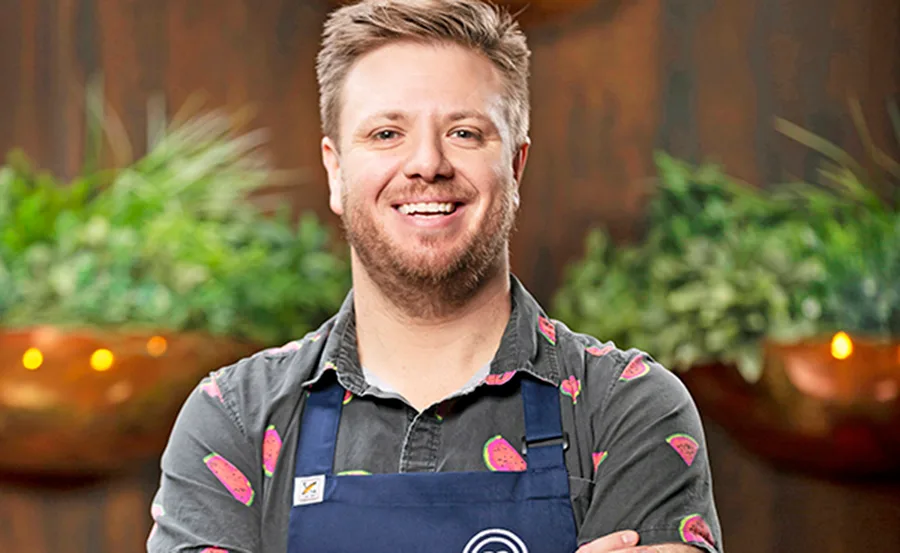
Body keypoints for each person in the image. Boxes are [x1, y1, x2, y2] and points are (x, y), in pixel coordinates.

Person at [147, 1, 723, 552]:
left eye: (465, 133)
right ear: (335, 170)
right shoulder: (236, 419)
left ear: (516, 166)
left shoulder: (627, 408)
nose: (427, 163)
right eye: (386, 134)